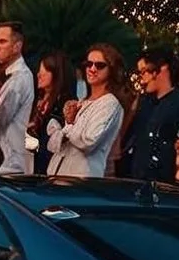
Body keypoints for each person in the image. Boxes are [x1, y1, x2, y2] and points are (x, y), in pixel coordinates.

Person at [49, 44, 127, 178]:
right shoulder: (83, 101)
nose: (92, 69)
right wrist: (69, 121)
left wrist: (68, 128)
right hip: (59, 177)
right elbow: (57, 145)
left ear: (111, 70)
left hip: (81, 181)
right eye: (89, 64)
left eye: (100, 65)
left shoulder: (110, 104)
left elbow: (88, 141)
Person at [118, 47, 179, 184]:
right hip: (136, 178)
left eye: (144, 72)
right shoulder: (144, 101)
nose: (142, 80)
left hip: (163, 183)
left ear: (162, 69)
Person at [0, 20, 34, 174]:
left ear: (17, 46)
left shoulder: (18, 79)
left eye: (2, 42)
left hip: (9, 164)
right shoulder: (14, 76)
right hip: (8, 161)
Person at [27, 51, 70, 174]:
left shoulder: (63, 104)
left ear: (56, 74)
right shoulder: (36, 100)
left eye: (45, 70)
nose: (39, 75)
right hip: (28, 165)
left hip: (48, 169)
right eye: (39, 70)